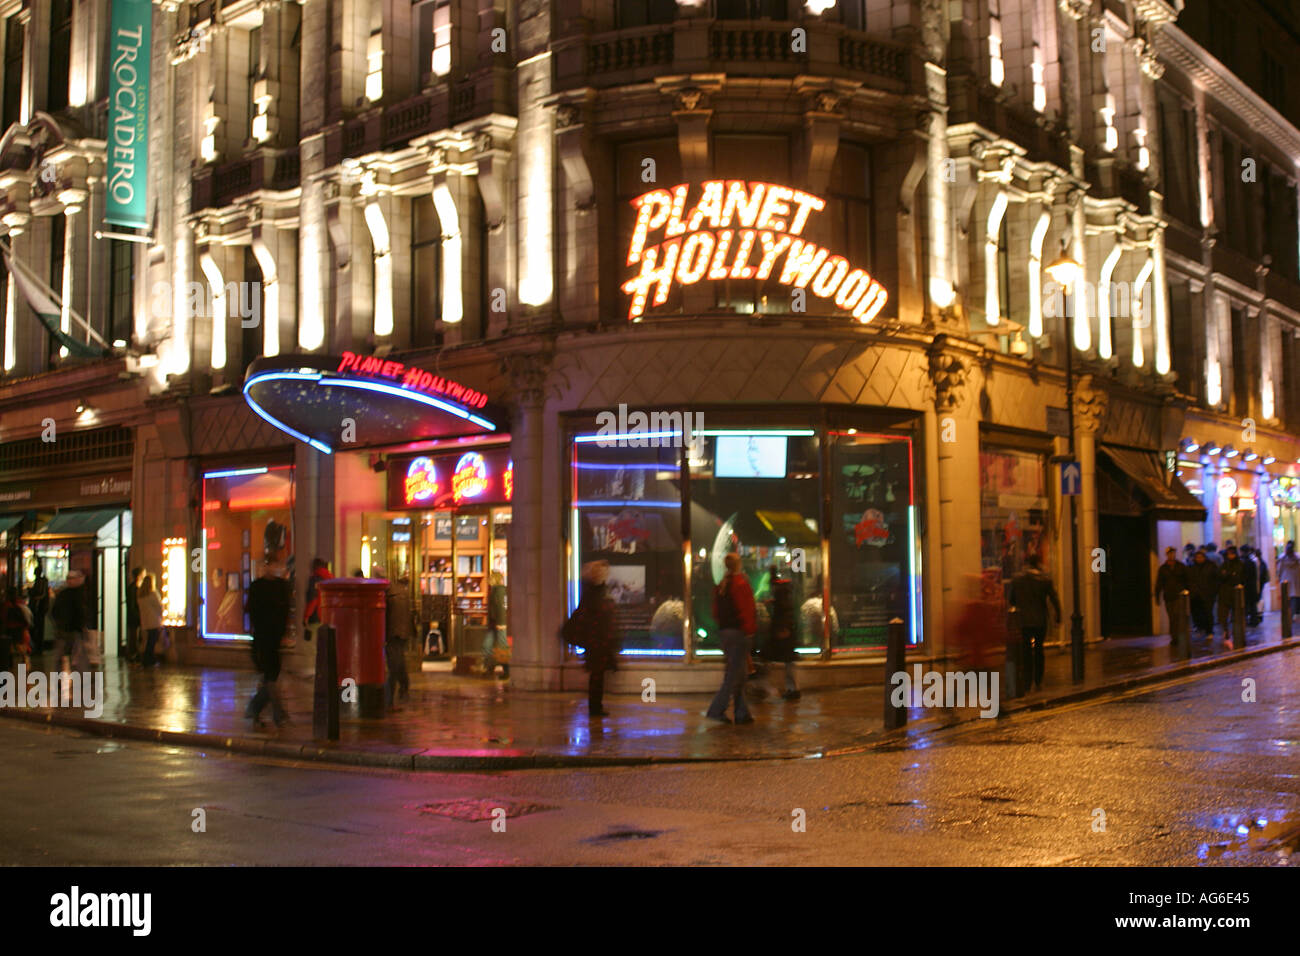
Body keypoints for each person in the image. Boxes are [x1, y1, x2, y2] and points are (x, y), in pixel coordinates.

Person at [706, 553, 757, 725]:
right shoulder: (741, 583)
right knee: (733, 676)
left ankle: (742, 713)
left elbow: (715, 612)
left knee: (738, 673)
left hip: (725, 633)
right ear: (738, 564)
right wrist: (749, 632)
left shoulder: (722, 585)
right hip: (739, 634)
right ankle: (716, 709)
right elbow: (748, 610)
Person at [564, 561, 620, 717]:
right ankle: (595, 708)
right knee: (597, 676)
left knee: (597, 675)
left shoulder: (592, 592)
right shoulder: (594, 593)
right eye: (603, 572)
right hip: (597, 641)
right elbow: (595, 617)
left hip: (596, 641)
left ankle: (596, 707)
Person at [246, 561, 292, 727]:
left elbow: (286, 611)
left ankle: (254, 709)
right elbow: (251, 610)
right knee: (270, 676)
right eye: (269, 565)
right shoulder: (257, 586)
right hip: (263, 637)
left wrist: (285, 634)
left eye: (274, 565)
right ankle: (278, 715)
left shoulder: (281, 586)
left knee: (271, 676)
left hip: (274, 637)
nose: (272, 568)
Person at [1009, 554, 1062, 692]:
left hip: (1024, 621)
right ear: (1038, 563)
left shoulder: (1017, 579)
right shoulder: (1045, 579)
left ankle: (1027, 680)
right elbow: (1054, 598)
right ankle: (1038, 679)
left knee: (1026, 651)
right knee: (1039, 650)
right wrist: (1058, 616)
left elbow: (1012, 600)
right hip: (1040, 620)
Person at [763, 563, 800, 700]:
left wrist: (783, 628)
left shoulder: (781, 593)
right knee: (787, 661)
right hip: (784, 630)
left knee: (772, 657)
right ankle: (792, 689)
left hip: (783, 630)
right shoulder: (785, 594)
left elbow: (783, 610)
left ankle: (789, 689)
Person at [379, 567, 414, 710]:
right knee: (398, 662)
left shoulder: (388, 594)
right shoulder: (403, 593)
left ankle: (390, 700)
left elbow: (386, 617)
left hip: (392, 634)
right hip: (402, 633)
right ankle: (403, 688)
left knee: (394, 667)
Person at [50, 570, 89, 670]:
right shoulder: (80, 594)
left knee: (61, 655)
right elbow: (82, 612)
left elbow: (54, 611)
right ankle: (78, 676)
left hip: (64, 629)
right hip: (73, 630)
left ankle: (59, 676)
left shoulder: (63, 594)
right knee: (77, 656)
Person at [1154, 547, 1191, 647]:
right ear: (1167, 555)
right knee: (1172, 617)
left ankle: (1179, 637)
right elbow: (1159, 583)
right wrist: (1157, 596)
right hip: (1169, 596)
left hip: (1179, 596)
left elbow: (1188, 580)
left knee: (1178, 616)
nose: (1172, 555)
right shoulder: (1163, 568)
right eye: (1170, 553)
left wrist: (1188, 593)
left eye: (1173, 553)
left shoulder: (1181, 567)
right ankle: (1174, 637)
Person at [481, 571, 509, 678]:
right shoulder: (497, 590)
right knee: (491, 646)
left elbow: (501, 607)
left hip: (499, 623)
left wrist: (502, 623)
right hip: (496, 623)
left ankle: (506, 670)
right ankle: (490, 668)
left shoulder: (499, 591)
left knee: (500, 646)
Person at [1217, 545, 1245, 648]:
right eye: (1229, 553)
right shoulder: (1224, 564)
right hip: (1224, 593)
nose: (1230, 555)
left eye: (1232, 553)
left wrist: (1228, 574)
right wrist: (1229, 574)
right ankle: (1226, 632)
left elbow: (1238, 577)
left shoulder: (1240, 564)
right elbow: (1220, 576)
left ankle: (1235, 633)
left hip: (1235, 593)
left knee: (1236, 615)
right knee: (1223, 615)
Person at [1187, 550, 1219, 637]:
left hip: (1208, 594)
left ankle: (1209, 631)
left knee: (1208, 613)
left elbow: (1216, 580)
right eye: (1197, 557)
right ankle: (1201, 629)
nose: (1199, 559)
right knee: (1198, 613)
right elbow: (1190, 580)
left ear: (1204, 558)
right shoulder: (1192, 567)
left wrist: (1213, 591)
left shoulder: (1211, 566)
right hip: (1196, 595)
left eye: (1201, 557)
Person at [136, 572, 164, 668]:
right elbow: (159, 607)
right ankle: (148, 659)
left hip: (146, 621)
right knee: (152, 641)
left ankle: (148, 659)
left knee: (149, 640)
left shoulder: (140, 595)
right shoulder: (153, 594)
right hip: (154, 620)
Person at [303, 558, 333, 632]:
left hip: (316, 616)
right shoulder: (331, 579)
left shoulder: (315, 579)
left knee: (314, 641)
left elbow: (313, 600)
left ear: (314, 566)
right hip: (329, 617)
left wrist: (306, 616)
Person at [28, 564, 49, 652]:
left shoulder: (41, 582)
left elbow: (39, 594)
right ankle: (38, 647)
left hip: (38, 608)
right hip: (40, 608)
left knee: (37, 627)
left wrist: (31, 592)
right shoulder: (42, 581)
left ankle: (37, 647)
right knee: (38, 628)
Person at [124, 566, 143, 662]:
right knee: (134, 636)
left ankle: (134, 654)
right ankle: (133, 654)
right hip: (134, 616)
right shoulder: (134, 588)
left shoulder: (133, 587)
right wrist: (137, 614)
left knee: (134, 636)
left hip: (134, 615)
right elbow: (132, 603)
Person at [1278, 541, 1300, 620]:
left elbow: (1279, 570)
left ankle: (1287, 616)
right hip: (1295, 581)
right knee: (1294, 599)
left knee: (1286, 600)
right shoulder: (1297, 557)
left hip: (1285, 580)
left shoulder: (1282, 558)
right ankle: (1292, 615)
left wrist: (1279, 578)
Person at [1240, 547, 1261, 627]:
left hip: (1247, 586)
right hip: (1252, 586)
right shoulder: (1252, 561)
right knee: (1252, 605)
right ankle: (1254, 620)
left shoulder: (1245, 562)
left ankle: (1248, 620)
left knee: (1246, 605)